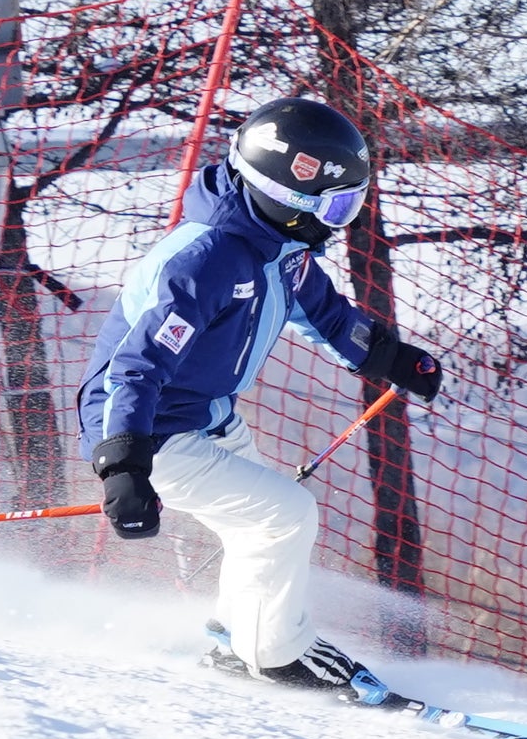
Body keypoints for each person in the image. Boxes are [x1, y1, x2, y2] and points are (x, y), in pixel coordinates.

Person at [77, 96, 442, 689]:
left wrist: (393, 358)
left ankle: (235, 643)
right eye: (338, 203)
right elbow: (132, 367)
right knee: (283, 515)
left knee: (264, 527)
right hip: (149, 431)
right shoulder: (206, 259)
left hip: (207, 418)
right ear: (289, 193)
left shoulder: (278, 246)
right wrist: (122, 464)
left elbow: (324, 314)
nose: (341, 218)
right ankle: (275, 655)